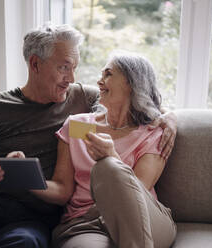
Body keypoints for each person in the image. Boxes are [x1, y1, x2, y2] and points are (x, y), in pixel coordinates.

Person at [0, 24, 176, 248]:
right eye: (64, 67)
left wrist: (169, 117)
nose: (72, 78)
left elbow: (140, 97)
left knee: (24, 243)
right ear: (35, 64)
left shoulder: (80, 97)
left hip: (32, 215)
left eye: (74, 68)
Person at [24, 50, 177, 248]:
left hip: (146, 220)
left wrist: (110, 156)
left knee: (108, 168)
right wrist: (27, 178)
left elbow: (136, 194)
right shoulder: (78, 126)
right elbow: (62, 190)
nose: (99, 81)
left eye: (108, 74)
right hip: (88, 224)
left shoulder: (153, 132)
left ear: (131, 83)